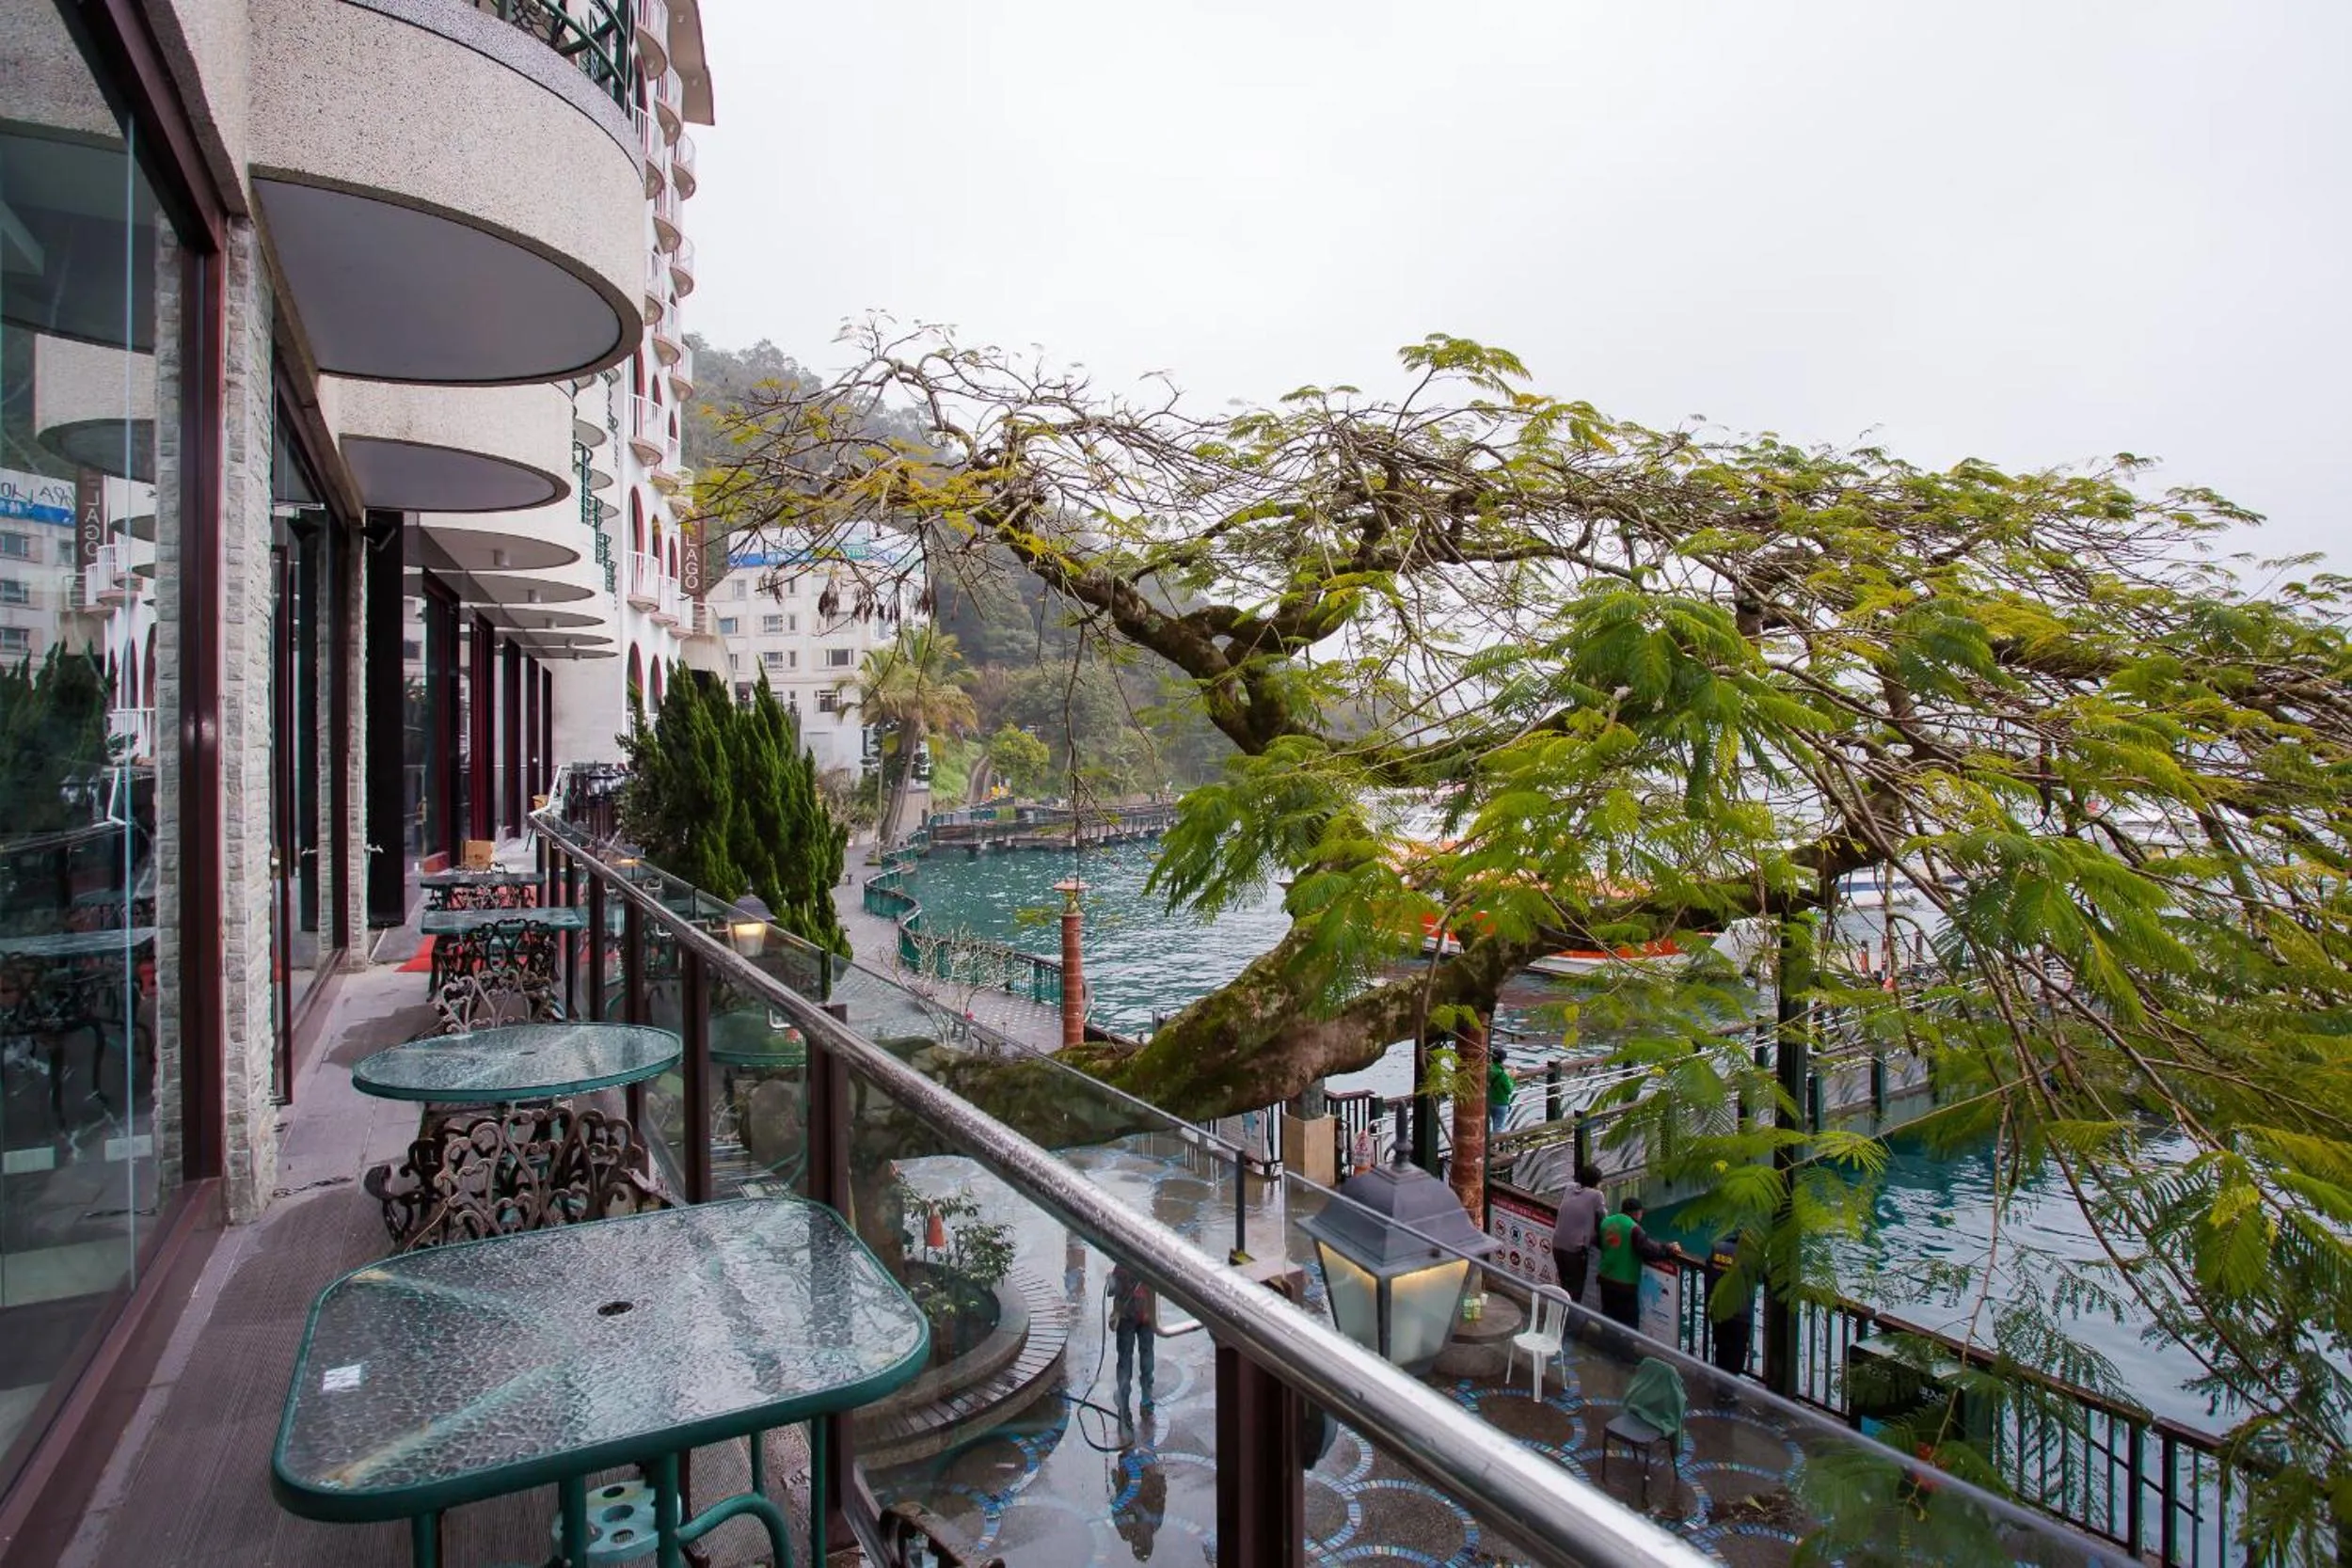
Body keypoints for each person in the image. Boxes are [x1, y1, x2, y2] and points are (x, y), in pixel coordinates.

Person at [1595, 1195, 1669, 1331]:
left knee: (1607, 1316)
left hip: (1605, 1277)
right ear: (1637, 1213)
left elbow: (1599, 1241)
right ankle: (1624, 1351)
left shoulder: (1606, 1222)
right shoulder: (1634, 1228)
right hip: (1625, 1283)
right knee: (1628, 1323)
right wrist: (1668, 1249)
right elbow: (1650, 1251)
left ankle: (1605, 1345)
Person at [1704, 1228, 1753, 1404]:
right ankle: (1727, 1392)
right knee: (1737, 1353)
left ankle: (1720, 1387)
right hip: (1738, 1312)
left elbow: (1709, 1270)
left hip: (1718, 1307)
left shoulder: (1718, 1248)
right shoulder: (1748, 1255)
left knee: (1721, 1348)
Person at [1550, 1163, 1608, 1306]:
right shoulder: (1596, 1195)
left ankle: (1561, 1321)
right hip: (1575, 1249)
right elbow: (1603, 1218)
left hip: (1558, 1245)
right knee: (1576, 1292)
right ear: (1596, 1182)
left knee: (1565, 1288)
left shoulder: (1569, 1188)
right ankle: (1570, 1326)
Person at [1108, 1260, 1156, 1415]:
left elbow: (1114, 1290)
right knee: (1147, 1353)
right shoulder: (1151, 1263)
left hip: (1127, 1316)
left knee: (1125, 1357)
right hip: (1147, 1314)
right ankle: (1146, 1397)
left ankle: (1124, 1396)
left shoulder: (1123, 1264)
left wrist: (1110, 1281)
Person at [1486, 1047, 1514, 1137]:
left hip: (1490, 1102)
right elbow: (1509, 1090)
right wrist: (1512, 1078)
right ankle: (1494, 1147)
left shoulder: (1488, 1069)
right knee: (1498, 1128)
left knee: (1493, 1123)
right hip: (1501, 1103)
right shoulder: (1502, 1075)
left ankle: (1490, 1144)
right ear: (1503, 1059)